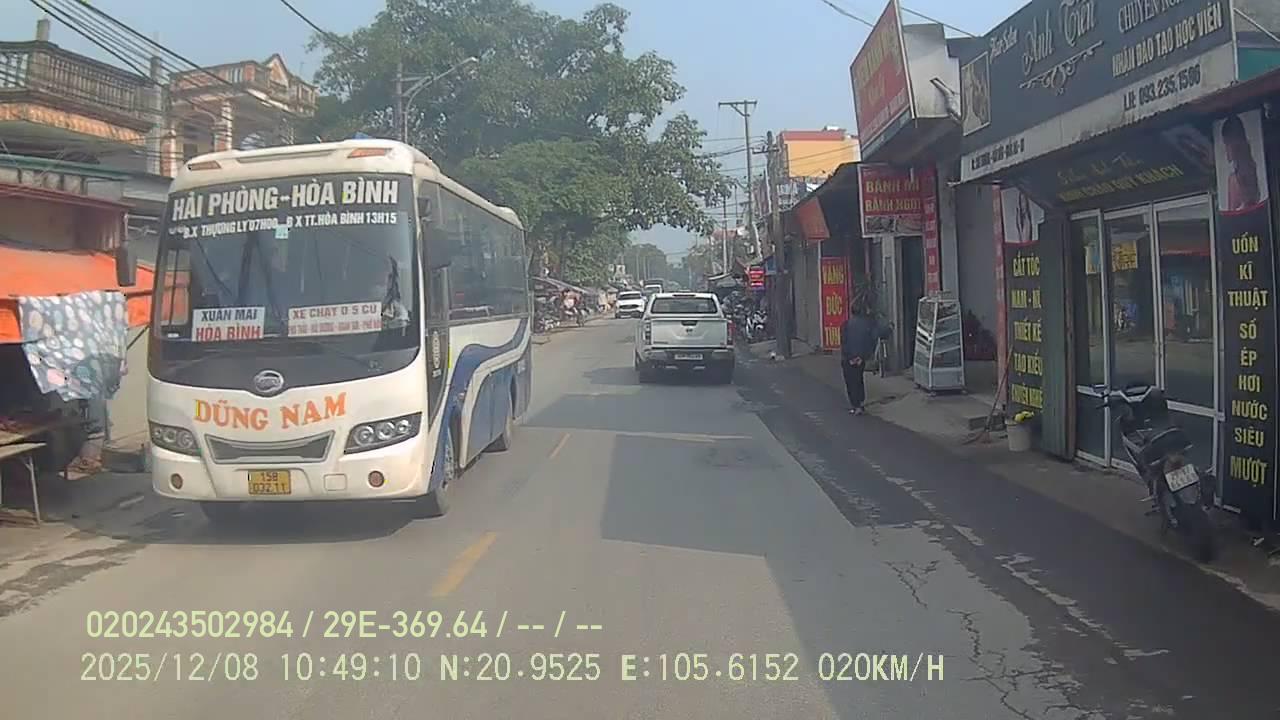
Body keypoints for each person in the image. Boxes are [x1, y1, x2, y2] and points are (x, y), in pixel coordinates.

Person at [840, 303, 891, 415]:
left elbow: (844, 343)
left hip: (849, 358)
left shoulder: (846, 325)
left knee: (850, 382)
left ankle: (855, 405)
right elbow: (873, 339)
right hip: (861, 358)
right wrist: (863, 356)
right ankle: (860, 403)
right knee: (858, 379)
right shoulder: (868, 324)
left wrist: (850, 357)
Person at [1221, 114, 1261, 212]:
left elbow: (1233, 212)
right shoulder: (1251, 166)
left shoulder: (1235, 179)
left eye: (1226, 144)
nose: (1225, 149)